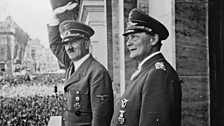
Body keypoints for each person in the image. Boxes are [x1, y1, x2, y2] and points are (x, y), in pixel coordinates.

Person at [110, 8, 182, 126]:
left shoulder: (158, 74)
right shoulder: (146, 71)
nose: (128, 43)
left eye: (134, 37)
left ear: (153, 39)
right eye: (128, 38)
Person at [47, 2, 114, 126]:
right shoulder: (71, 64)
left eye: (74, 42)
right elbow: (55, 45)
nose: (69, 48)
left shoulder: (97, 73)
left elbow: (100, 119)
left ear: (86, 44)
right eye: (66, 43)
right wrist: (55, 14)